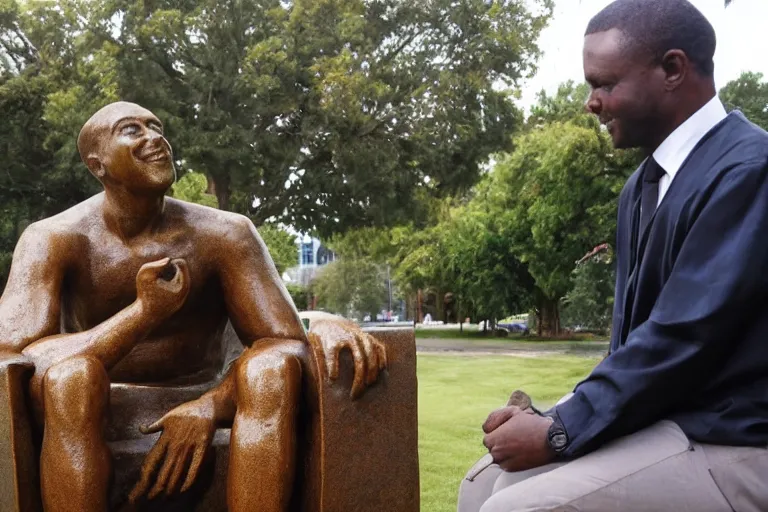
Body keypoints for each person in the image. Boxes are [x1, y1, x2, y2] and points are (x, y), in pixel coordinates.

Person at [0, 101, 385, 511]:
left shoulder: (227, 234)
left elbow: (286, 342)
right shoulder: (55, 238)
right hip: (100, 403)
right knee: (71, 378)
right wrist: (143, 314)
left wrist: (209, 406)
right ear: (99, 165)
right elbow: (16, 354)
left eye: (157, 127)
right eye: (132, 130)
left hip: (202, 391)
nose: (155, 139)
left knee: (271, 369)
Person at [458, 0, 768, 510]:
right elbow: (630, 344)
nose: (591, 102)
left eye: (604, 84)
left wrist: (559, 431)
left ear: (672, 69)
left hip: (736, 442)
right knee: (482, 485)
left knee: (514, 508)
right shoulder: (642, 187)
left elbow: (681, 338)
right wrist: (558, 413)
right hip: (668, 424)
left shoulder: (748, 172)